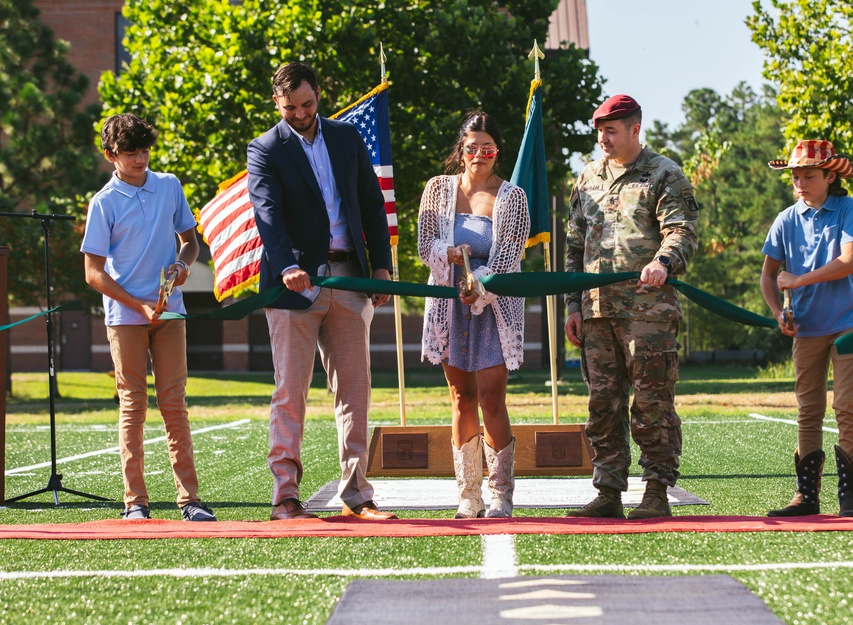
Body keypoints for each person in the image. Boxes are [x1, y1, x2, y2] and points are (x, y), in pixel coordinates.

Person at [246, 62, 397, 521]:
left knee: (355, 391)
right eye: (290, 107)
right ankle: (286, 498)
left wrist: (383, 268)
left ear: (319, 96)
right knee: (290, 392)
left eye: (307, 104)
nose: (300, 113)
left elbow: (372, 205)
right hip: (294, 288)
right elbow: (267, 215)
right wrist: (288, 265)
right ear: (277, 103)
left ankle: (357, 496)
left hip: (350, 280)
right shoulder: (265, 149)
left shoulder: (348, 138)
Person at [563, 95, 700, 520]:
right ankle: (608, 491)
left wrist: (663, 261)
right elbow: (574, 247)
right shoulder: (587, 178)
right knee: (602, 404)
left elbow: (682, 231)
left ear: (635, 129)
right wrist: (572, 305)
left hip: (647, 313)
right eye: (599, 130)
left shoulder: (664, 174)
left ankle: (657, 490)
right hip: (597, 312)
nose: (603, 138)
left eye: (612, 130)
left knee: (651, 403)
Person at [81, 114, 216, 522]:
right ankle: (135, 503)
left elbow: (190, 242)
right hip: (125, 318)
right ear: (111, 156)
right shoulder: (102, 203)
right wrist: (137, 305)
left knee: (174, 404)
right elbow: (93, 273)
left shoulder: (169, 185)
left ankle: (190, 501)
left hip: (171, 312)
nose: (140, 159)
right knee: (133, 405)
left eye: (144, 150)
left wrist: (180, 265)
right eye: (130, 153)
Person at [418, 111, 530, 518]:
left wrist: (477, 286)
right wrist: (444, 254)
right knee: (461, 398)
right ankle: (468, 494)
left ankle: (501, 493)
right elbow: (424, 245)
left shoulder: (512, 197)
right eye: (471, 148)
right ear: (460, 151)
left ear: (497, 152)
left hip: (493, 307)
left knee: (491, 400)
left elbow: (507, 257)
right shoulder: (436, 189)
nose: (479, 155)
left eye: (488, 148)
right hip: (449, 308)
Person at [761, 139, 853, 518]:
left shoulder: (848, 209)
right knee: (808, 411)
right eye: (795, 175)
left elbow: (847, 262)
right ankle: (806, 497)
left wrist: (800, 280)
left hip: (849, 324)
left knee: (846, 407)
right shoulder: (785, 219)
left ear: (829, 176)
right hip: (805, 328)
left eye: (808, 175)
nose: (800, 182)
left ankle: (850, 496)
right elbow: (768, 277)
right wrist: (778, 312)